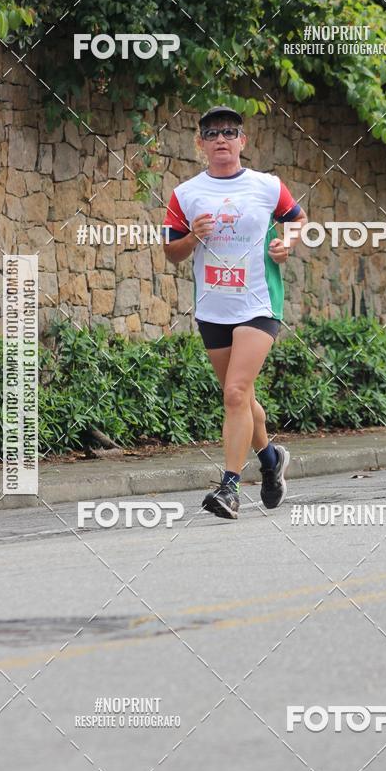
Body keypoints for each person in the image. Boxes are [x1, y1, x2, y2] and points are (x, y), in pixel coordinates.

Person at [162, 105, 308, 519]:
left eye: (229, 132)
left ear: (243, 141)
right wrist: (193, 237)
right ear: (200, 144)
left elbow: (297, 220)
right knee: (241, 398)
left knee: (235, 393)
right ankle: (271, 460)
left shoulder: (266, 186)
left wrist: (288, 243)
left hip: (259, 303)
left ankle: (229, 488)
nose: (221, 139)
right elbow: (171, 252)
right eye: (211, 133)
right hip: (213, 307)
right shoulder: (186, 194)